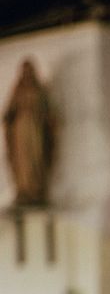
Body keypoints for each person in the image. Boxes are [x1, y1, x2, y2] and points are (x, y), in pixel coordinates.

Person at [3, 58, 56, 206]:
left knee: (36, 159)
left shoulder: (40, 91)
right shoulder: (17, 91)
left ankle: (36, 191)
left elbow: (49, 115)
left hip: (36, 132)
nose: (26, 74)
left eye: (29, 70)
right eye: (24, 71)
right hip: (20, 132)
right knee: (22, 161)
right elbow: (9, 113)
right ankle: (23, 190)